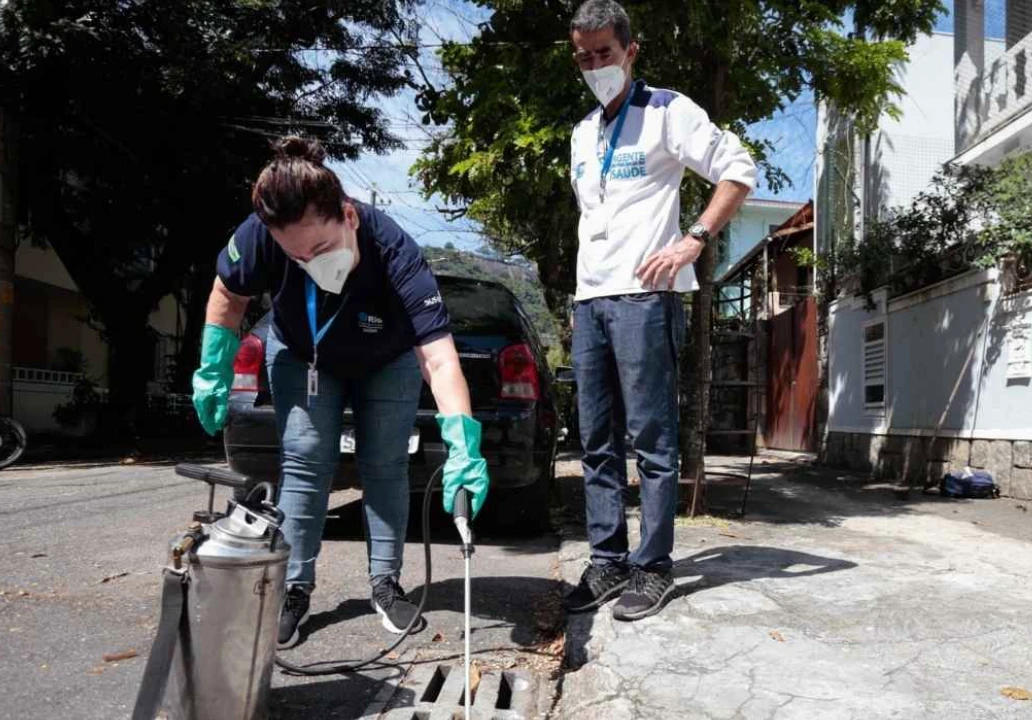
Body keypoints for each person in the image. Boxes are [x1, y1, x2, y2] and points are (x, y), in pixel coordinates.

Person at [191, 137, 490, 648]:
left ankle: (385, 582)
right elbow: (228, 292)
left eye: (322, 249)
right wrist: (212, 367)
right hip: (302, 355)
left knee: (385, 463)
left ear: (348, 216)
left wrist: (462, 441)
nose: (310, 261)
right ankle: (292, 587)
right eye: (296, 255)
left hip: (386, 357)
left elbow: (438, 357)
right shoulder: (261, 234)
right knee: (305, 460)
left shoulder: (394, 247)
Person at [563, 1, 757, 621]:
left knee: (651, 440)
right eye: (585, 57)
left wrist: (693, 238)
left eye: (606, 54)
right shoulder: (582, 132)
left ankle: (654, 567)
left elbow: (738, 169)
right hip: (589, 300)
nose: (597, 66)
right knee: (595, 442)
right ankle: (607, 562)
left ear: (630, 50)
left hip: (646, 298)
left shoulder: (667, 111)